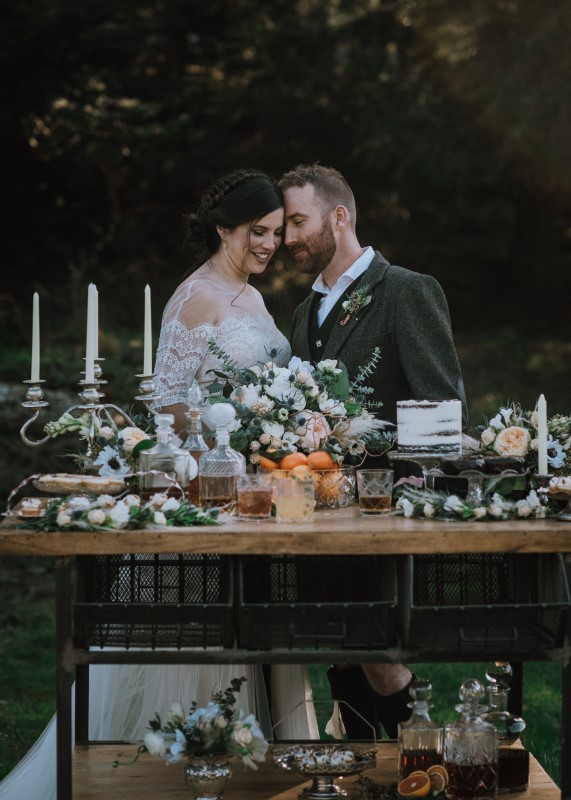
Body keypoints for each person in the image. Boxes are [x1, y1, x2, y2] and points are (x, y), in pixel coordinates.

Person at [0, 170, 317, 800]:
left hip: (256, 495)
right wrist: (236, 427)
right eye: (258, 232)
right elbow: (166, 406)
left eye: (277, 234)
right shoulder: (193, 298)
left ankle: (254, 772)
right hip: (204, 491)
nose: (268, 245)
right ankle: (185, 771)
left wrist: (280, 425)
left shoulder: (253, 299)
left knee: (256, 629)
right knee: (200, 645)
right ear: (224, 227)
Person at [279, 163, 467, 741]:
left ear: (339, 217)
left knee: (379, 659)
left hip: (382, 519)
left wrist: (416, 482)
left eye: (297, 222)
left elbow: (444, 407)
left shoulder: (406, 290)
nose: (288, 239)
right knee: (340, 653)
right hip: (314, 514)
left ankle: (424, 759)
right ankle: (362, 770)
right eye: (284, 226)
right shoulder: (302, 313)